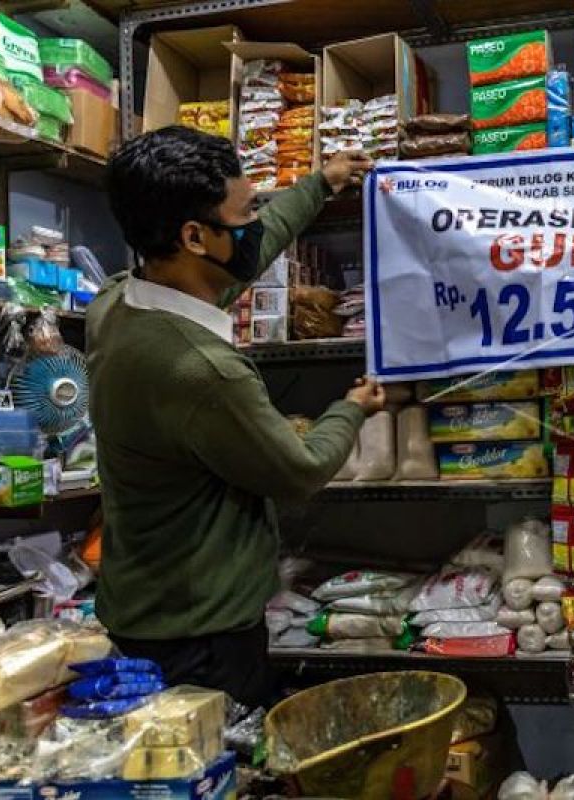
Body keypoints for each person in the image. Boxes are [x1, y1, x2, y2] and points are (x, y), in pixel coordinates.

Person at [87, 126, 382, 708]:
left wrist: (321, 184)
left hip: (143, 608)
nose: (254, 224)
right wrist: (351, 409)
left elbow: (249, 250)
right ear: (195, 237)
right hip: (201, 635)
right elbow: (300, 469)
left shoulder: (119, 302)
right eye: (246, 211)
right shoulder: (201, 369)